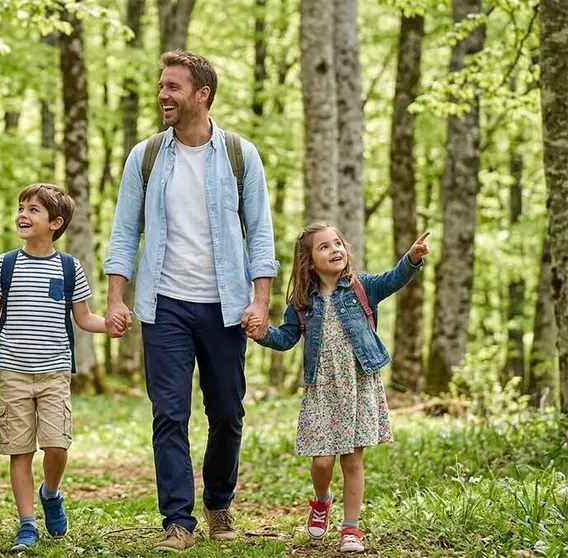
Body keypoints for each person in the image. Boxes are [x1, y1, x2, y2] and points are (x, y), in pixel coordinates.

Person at [103, 50, 278, 550]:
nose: (163, 95)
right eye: (162, 85)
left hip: (225, 305)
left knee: (227, 412)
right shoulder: (147, 156)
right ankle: (177, 520)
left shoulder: (241, 155)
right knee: (169, 413)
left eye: (174, 87)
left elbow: (260, 234)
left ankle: (218, 502)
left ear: (202, 95)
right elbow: (124, 233)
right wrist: (117, 298)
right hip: (165, 304)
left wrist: (260, 302)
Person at [249, 223, 430, 553]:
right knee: (321, 463)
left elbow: (394, 278)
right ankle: (321, 500)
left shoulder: (362, 288)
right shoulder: (302, 302)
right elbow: (286, 338)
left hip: (358, 383)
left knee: (352, 459)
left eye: (338, 243)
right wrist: (261, 333)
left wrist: (411, 259)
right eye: (324, 247)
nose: (335, 250)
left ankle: (351, 529)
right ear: (309, 261)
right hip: (322, 387)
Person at [0, 184, 117, 551]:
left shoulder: (69, 268)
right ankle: (27, 524)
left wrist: (109, 323)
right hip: (13, 372)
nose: (23, 214)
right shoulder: (6, 264)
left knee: (57, 447)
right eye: (21, 207)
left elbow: (84, 318)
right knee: (20, 450)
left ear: (55, 222)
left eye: (33, 209)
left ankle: (51, 493)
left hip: (54, 373)